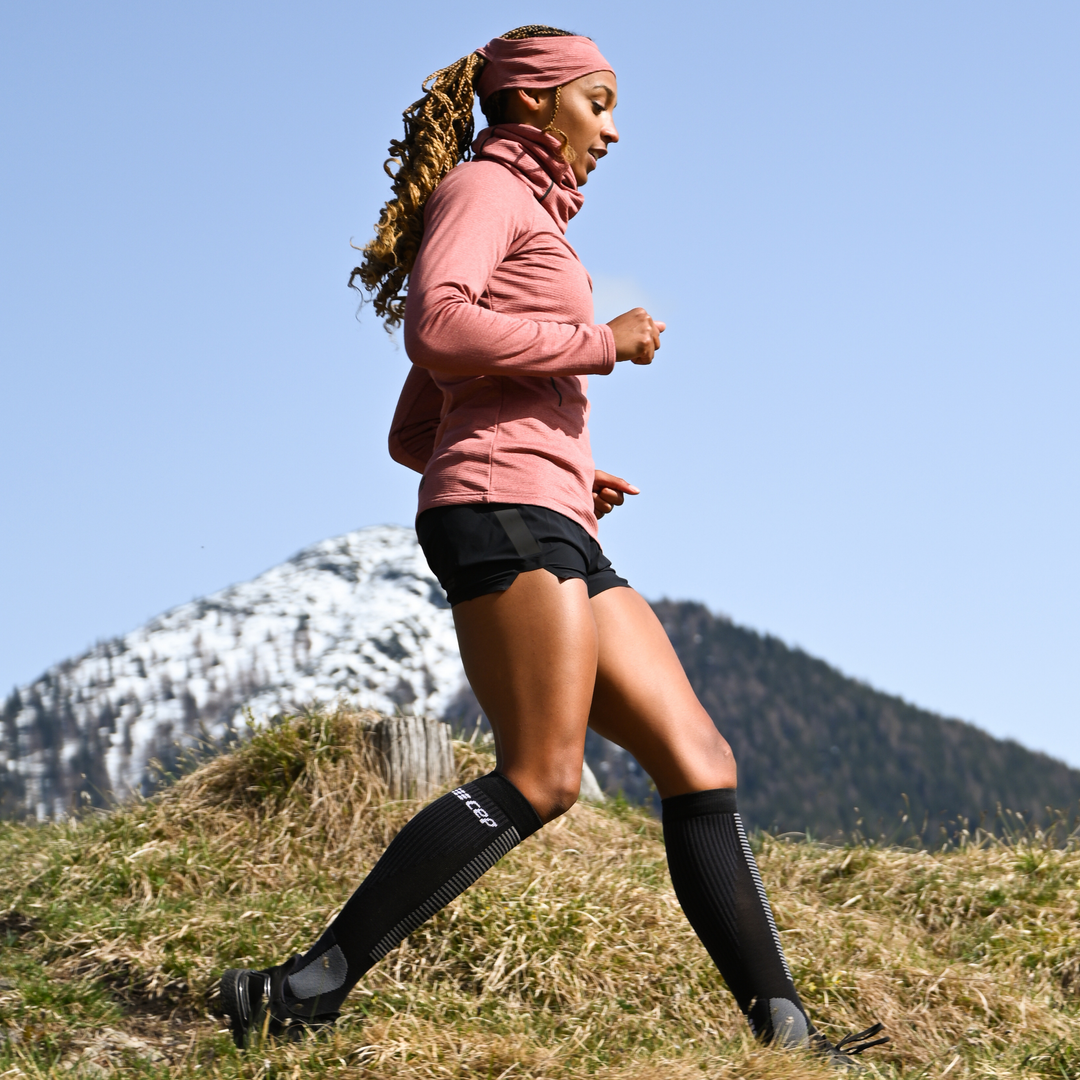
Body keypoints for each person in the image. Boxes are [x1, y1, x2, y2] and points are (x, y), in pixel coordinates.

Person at [220, 25, 887, 1069]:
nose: (614, 130)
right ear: (534, 104)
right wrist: (598, 346)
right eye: (599, 102)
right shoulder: (484, 193)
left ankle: (789, 1042)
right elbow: (437, 332)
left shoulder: (530, 217)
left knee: (700, 762)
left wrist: (570, 470)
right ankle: (309, 984)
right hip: (500, 516)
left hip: (546, 510)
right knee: (542, 776)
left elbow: (414, 428)